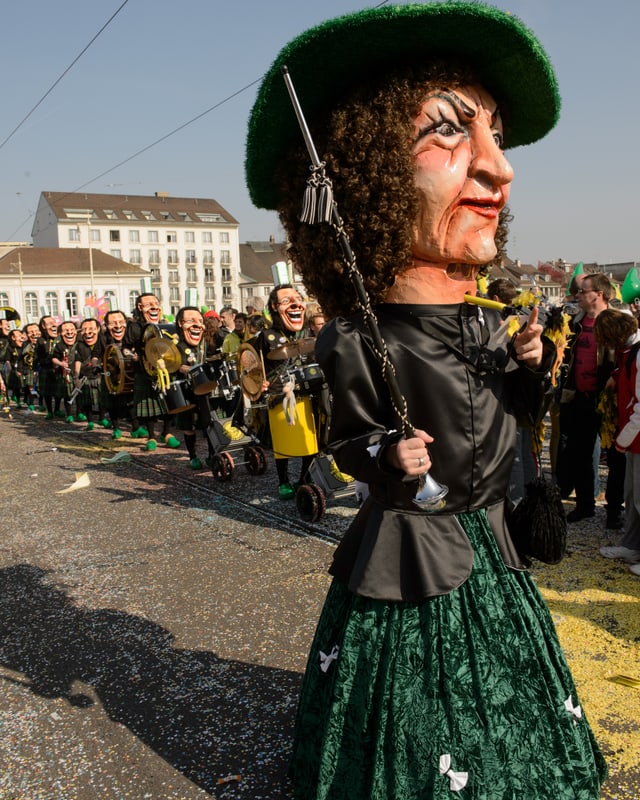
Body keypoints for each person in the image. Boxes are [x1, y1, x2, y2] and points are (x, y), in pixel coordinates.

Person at [246, 4, 606, 798]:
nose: (498, 170)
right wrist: (384, 455)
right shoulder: (355, 338)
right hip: (410, 563)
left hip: (492, 557)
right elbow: (346, 447)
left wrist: (528, 369)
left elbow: (507, 423)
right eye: (448, 133)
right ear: (367, 176)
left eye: (496, 137)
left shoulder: (488, 322)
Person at [556, 272, 616, 522]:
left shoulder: (613, 322)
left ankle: (613, 510)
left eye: (583, 291)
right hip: (576, 397)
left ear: (598, 295)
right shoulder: (575, 322)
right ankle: (584, 504)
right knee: (577, 451)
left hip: (603, 399)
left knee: (613, 457)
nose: (578, 295)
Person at [252, 284, 319, 499]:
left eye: (298, 298)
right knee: (282, 442)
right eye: (287, 300)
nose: (296, 303)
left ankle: (305, 476)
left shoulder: (307, 332)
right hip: (279, 394)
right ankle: (283, 481)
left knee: (311, 439)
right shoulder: (266, 335)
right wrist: (258, 382)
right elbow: (250, 362)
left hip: (306, 391)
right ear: (274, 306)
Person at [594, 309, 640, 568]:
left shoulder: (638, 353)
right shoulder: (630, 352)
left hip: (635, 436)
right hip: (633, 437)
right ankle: (632, 546)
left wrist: (622, 440)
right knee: (633, 495)